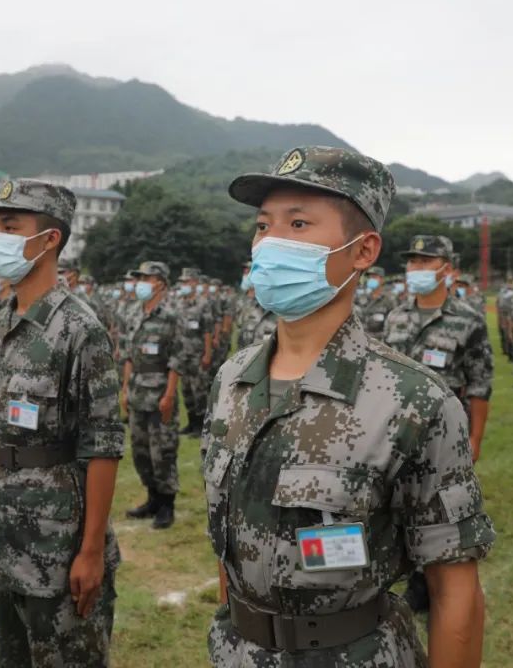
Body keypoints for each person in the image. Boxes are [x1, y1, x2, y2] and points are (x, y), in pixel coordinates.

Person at [204, 146, 494, 666]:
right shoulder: (232, 380)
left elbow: (456, 593)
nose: (270, 244)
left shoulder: (414, 401)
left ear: (363, 251)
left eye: (298, 224)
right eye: (263, 226)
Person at [0, 178, 124, 667]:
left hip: (59, 538)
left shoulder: (80, 329)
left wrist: (92, 549)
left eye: (11, 226)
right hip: (6, 527)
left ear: (50, 239)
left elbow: (101, 444)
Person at [382, 233, 493, 615]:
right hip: (395, 433)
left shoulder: (469, 321)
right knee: (397, 506)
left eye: (426, 263)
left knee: (440, 513)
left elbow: (480, 385)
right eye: (413, 262)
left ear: (449, 270)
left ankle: (425, 584)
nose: (417, 269)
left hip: (445, 436)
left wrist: (474, 439)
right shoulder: (396, 317)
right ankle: (403, 571)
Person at [121, 261, 182, 530]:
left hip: (159, 395)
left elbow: (177, 359)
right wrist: (124, 389)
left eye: (146, 277)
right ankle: (152, 499)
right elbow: (128, 356)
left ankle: (166, 504)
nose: (141, 282)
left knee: (163, 452)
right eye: (140, 277)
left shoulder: (170, 315)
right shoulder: (134, 313)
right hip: (136, 394)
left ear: (160, 282)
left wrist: (169, 395)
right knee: (141, 452)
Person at [175, 268, 215, 439]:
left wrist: (207, 354)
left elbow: (207, 331)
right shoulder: (179, 303)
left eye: (186, 282)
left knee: (199, 391)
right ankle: (191, 423)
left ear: (194, 283)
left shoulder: (203, 303)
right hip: (181, 355)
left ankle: (201, 426)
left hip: (197, 355)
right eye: (182, 282)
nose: (183, 285)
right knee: (186, 391)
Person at [356, 265, 398, 338]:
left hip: (379, 342)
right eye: (369, 277)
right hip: (359, 340)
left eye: (374, 277)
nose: (371, 279)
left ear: (382, 279)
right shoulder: (361, 298)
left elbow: (393, 326)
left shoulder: (390, 299)